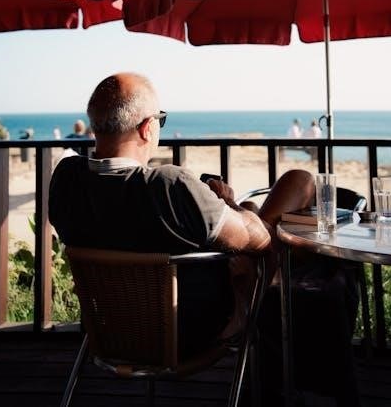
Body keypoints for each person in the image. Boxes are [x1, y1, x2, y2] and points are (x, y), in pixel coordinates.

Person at [49, 72, 359, 404]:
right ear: (147, 128)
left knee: (252, 209)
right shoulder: (169, 187)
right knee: (297, 183)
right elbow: (260, 240)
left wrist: (228, 210)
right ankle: (255, 310)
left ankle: (262, 277)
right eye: (160, 119)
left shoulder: (66, 180)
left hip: (110, 333)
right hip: (192, 334)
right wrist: (228, 204)